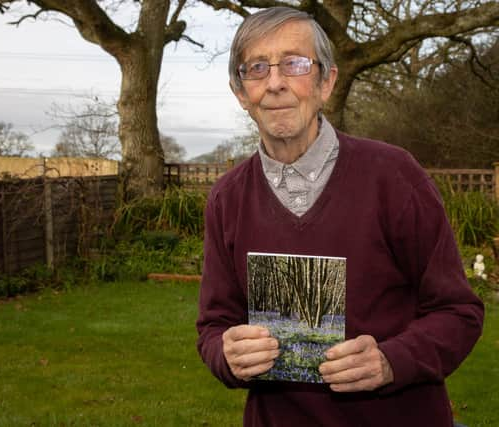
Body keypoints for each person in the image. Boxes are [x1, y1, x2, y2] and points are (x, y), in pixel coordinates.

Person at [196, 6, 484, 427]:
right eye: (257, 68)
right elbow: (214, 325)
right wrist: (227, 353)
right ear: (241, 93)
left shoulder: (394, 177)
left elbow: (459, 311)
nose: (275, 83)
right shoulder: (226, 199)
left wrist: (390, 361)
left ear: (326, 81)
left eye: (294, 64)